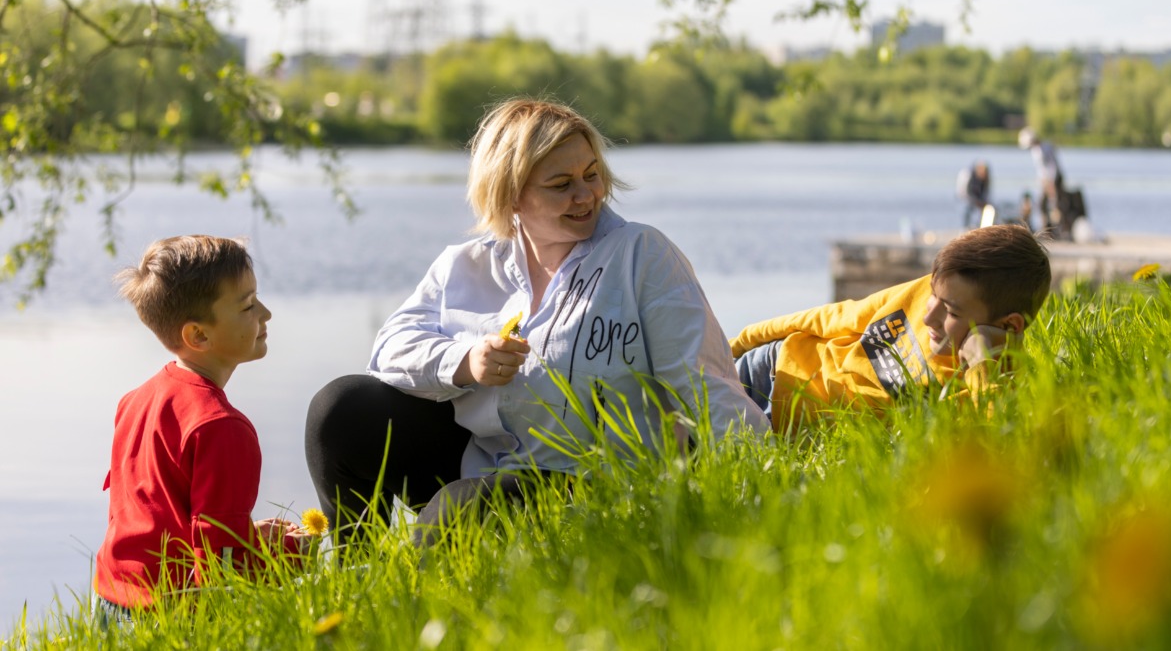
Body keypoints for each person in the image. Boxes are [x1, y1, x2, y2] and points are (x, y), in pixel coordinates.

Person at [305, 98, 769, 547]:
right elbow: (388, 350)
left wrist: (766, 485)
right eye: (561, 183)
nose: (586, 195)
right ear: (509, 194)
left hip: (596, 484)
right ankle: (357, 569)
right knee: (340, 409)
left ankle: (421, 592)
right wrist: (464, 361)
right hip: (483, 464)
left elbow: (704, 383)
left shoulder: (642, 255)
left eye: (592, 175)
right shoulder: (465, 265)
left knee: (459, 507)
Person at [93, 236, 311, 625]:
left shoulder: (134, 401)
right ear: (199, 336)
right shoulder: (222, 428)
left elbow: (160, 516)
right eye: (248, 305)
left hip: (110, 603)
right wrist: (292, 552)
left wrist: (250, 535)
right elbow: (221, 572)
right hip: (168, 616)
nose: (266, 313)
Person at [731, 224, 1051, 432]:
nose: (929, 317)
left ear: (1009, 325)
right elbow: (836, 316)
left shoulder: (994, 389)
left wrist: (983, 362)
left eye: (950, 310)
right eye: (933, 297)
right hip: (772, 365)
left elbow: (998, 439)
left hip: (781, 423)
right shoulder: (934, 293)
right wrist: (734, 345)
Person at [1017, 127, 1065, 236]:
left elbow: (1053, 166)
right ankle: (1046, 230)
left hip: (1053, 180)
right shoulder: (1036, 150)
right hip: (1045, 181)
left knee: (1055, 205)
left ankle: (1058, 230)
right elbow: (1041, 169)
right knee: (1042, 205)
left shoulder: (1045, 148)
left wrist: (1052, 183)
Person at [956, 161, 991, 229]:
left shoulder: (984, 179)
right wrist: (976, 201)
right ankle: (965, 228)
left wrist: (983, 202)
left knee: (983, 211)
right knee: (966, 210)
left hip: (975, 200)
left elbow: (985, 193)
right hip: (964, 199)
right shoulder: (968, 175)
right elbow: (964, 193)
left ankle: (978, 227)